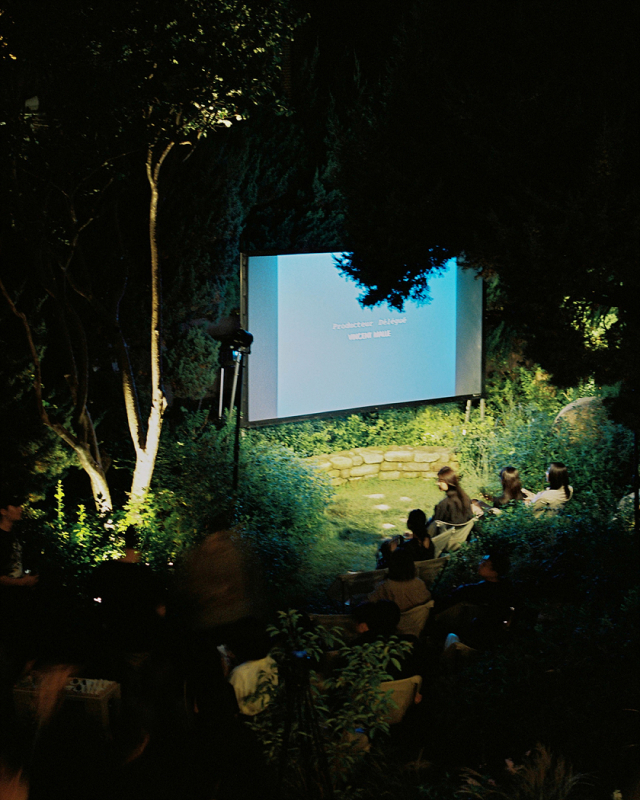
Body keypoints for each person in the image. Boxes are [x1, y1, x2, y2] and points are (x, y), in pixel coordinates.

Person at [434, 550, 516, 650]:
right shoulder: (506, 587)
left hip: (473, 632)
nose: (480, 564)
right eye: (482, 561)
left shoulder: (480, 591)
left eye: (485, 564)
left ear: (495, 572)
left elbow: (453, 597)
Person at [428, 466, 473, 532]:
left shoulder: (444, 504)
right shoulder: (465, 499)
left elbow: (434, 525)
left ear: (449, 482)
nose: (437, 483)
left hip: (445, 539)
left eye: (440, 481)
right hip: (462, 537)